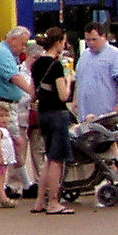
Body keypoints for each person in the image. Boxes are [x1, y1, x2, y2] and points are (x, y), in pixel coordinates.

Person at [27, 29, 77, 214]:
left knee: (48, 158)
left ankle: (40, 201)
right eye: (63, 41)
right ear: (58, 42)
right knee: (57, 160)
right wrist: (69, 80)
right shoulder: (56, 66)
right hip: (57, 113)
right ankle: (54, 202)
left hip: (43, 113)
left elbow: (32, 94)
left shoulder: (37, 63)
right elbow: (64, 95)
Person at [0, 26, 35, 197]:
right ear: (13, 39)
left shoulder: (3, 53)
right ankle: (23, 184)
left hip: (8, 104)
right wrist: (34, 94)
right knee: (16, 143)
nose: (24, 48)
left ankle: (14, 183)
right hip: (4, 106)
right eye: (23, 44)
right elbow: (16, 77)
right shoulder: (2, 54)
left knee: (12, 144)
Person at [74, 21, 118, 122]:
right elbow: (79, 79)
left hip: (108, 115)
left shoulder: (115, 55)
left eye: (94, 39)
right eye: (88, 40)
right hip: (86, 116)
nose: (91, 43)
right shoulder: (84, 55)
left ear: (103, 36)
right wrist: (75, 100)